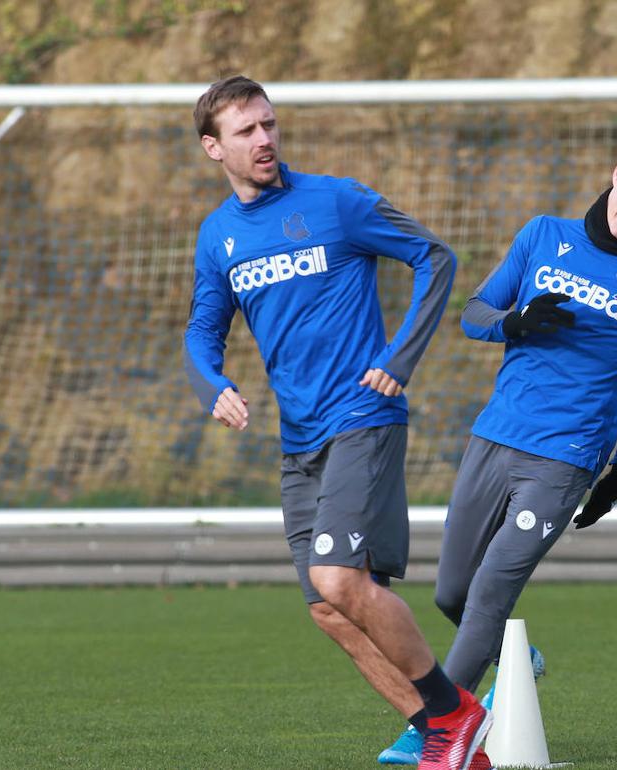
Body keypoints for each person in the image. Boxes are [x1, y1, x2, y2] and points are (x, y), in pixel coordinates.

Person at [183, 75, 490, 770]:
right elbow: (203, 330)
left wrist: (400, 357)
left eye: (268, 124)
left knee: (337, 578)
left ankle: (454, 714)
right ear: (213, 148)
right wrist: (214, 385)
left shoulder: (337, 202)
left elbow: (435, 258)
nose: (264, 139)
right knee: (329, 608)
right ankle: (450, 740)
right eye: (245, 131)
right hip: (301, 442)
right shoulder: (218, 237)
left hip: (364, 416)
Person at [380, 127, 617, 764]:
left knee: (492, 590)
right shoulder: (543, 235)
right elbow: (473, 312)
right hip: (495, 435)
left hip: (568, 456)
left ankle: (435, 734)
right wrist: (514, 323)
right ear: (616, 174)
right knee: (451, 595)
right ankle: (513, 654)